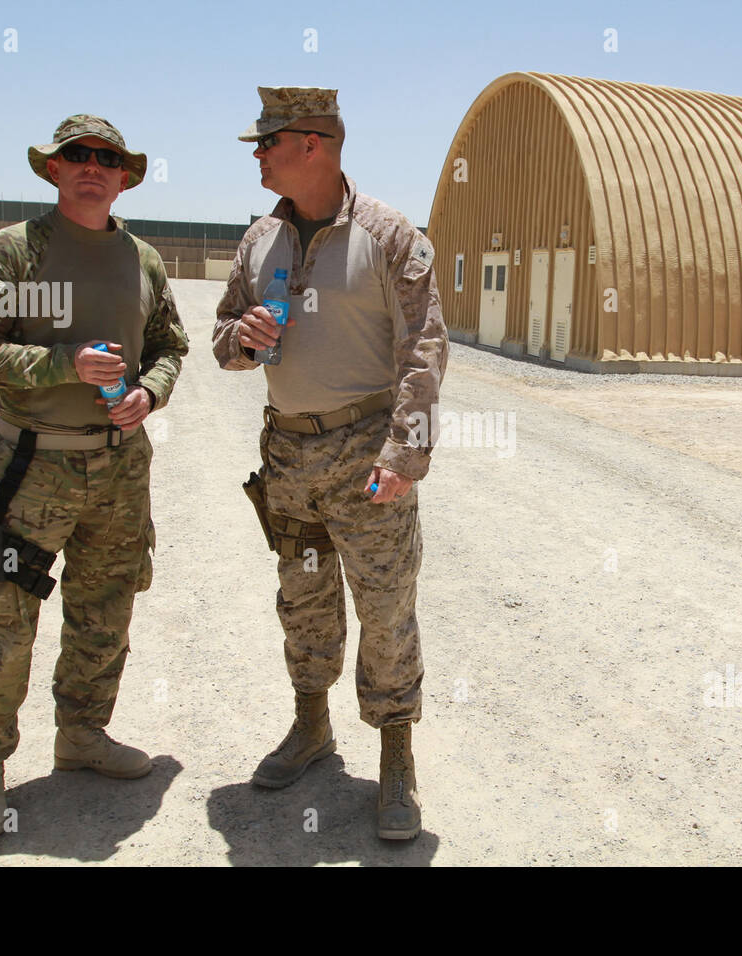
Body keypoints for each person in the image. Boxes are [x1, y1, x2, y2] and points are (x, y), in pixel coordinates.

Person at [0, 115, 189, 840]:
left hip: (119, 467)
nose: (91, 166)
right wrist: (64, 363)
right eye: (76, 156)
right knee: (6, 617)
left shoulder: (142, 258)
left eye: (105, 158)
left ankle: (82, 734)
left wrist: (152, 391)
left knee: (105, 607)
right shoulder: (17, 251)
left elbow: (170, 346)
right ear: (53, 170)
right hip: (32, 465)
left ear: (124, 175)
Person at [212, 87, 447, 840]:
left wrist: (405, 454)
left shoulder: (387, 235)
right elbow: (223, 343)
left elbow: (425, 349)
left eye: (267, 142)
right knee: (304, 602)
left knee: (384, 609)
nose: (256, 155)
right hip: (288, 455)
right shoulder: (258, 241)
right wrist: (242, 338)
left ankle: (396, 759)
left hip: (364, 454)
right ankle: (311, 729)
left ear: (310, 144)